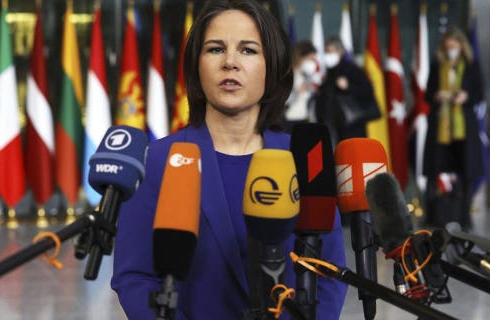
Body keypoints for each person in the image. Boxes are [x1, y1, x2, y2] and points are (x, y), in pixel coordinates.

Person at [111, 1, 347, 319]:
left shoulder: (305, 160)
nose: (230, 63)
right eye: (215, 49)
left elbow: (329, 274)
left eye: (248, 50)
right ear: (197, 65)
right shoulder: (157, 160)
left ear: (272, 65)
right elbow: (135, 277)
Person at [423, 27, 484, 231]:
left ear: (462, 47)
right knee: (434, 170)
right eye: (448, 47)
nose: (451, 50)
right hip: (440, 126)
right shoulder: (437, 66)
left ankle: (465, 215)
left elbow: (480, 93)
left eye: (454, 47)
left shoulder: (471, 67)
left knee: (466, 171)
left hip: (463, 128)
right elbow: (427, 94)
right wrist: (437, 96)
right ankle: (432, 214)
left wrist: (465, 97)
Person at [315, 37, 375, 144]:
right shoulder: (330, 73)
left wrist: (348, 87)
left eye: (329, 51)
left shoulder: (352, 70)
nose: (326, 55)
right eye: (325, 51)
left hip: (352, 127)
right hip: (332, 128)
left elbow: (368, 92)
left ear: (340, 51)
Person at [284, 41, 318, 131]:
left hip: (305, 118)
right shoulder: (288, 75)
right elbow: (282, 100)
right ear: (300, 57)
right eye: (310, 59)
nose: (313, 63)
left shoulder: (306, 75)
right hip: (289, 120)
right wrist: (297, 92)